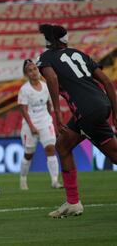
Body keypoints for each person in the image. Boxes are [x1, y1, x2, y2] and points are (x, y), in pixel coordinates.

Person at [37, 24, 117, 218]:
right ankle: (73, 203)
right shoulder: (80, 54)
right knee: (63, 145)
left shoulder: (46, 58)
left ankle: (73, 203)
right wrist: (115, 112)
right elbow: (106, 82)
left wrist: (56, 111)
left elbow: (52, 79)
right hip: (100, 104)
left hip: (86, 112)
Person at [18, 59, 63, 190]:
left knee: (50, 149)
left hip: (45, 121)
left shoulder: (46, 85)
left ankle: (55, 181)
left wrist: (50, 119)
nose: (33, 72)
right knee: (29, 153)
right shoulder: (24, 90)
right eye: (30, 71)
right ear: (26, 74)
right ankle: (23, 178)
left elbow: (49, 104)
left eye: (35, 69)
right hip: (30, 124)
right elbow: (23, 110)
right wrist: (31, 126)